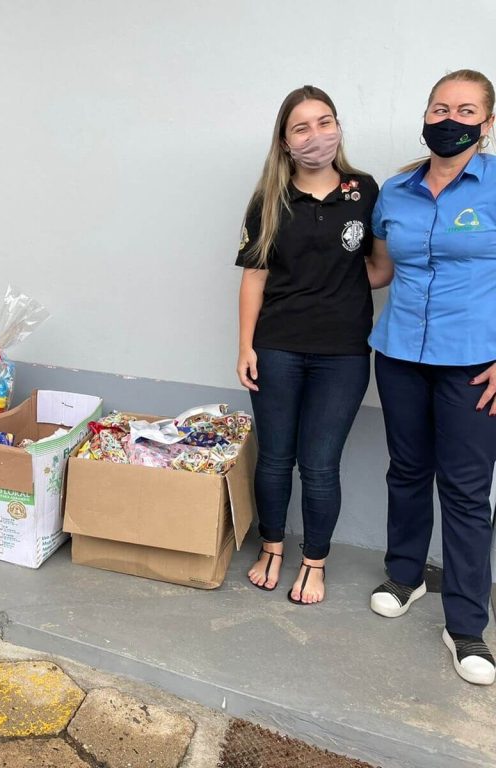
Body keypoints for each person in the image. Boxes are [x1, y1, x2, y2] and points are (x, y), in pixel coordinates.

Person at [365, 69, 496, 686]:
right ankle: (405, 574)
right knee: (408, 469)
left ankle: (466, 625)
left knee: (467, 491)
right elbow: (379, 270)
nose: (451, 119)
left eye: (466, 110)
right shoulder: (395, 191)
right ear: (425, 115)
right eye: (440, 108)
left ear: (487, 123)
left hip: (473, 364)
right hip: (399, 355)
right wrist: (304, 268)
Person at [236, 86, 378, 604]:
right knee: (275, 458)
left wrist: (338, 287)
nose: (316, 135)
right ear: (285, 141)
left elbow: (379, 267)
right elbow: (255, 276)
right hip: (277, 347)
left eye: (325, 122)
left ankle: (314, 562)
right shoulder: (269, 200)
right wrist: (245, 346)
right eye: (301, 127)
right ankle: (272, 547)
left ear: (338, 127)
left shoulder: (365, 190)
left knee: (320, 465)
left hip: (343, 353)